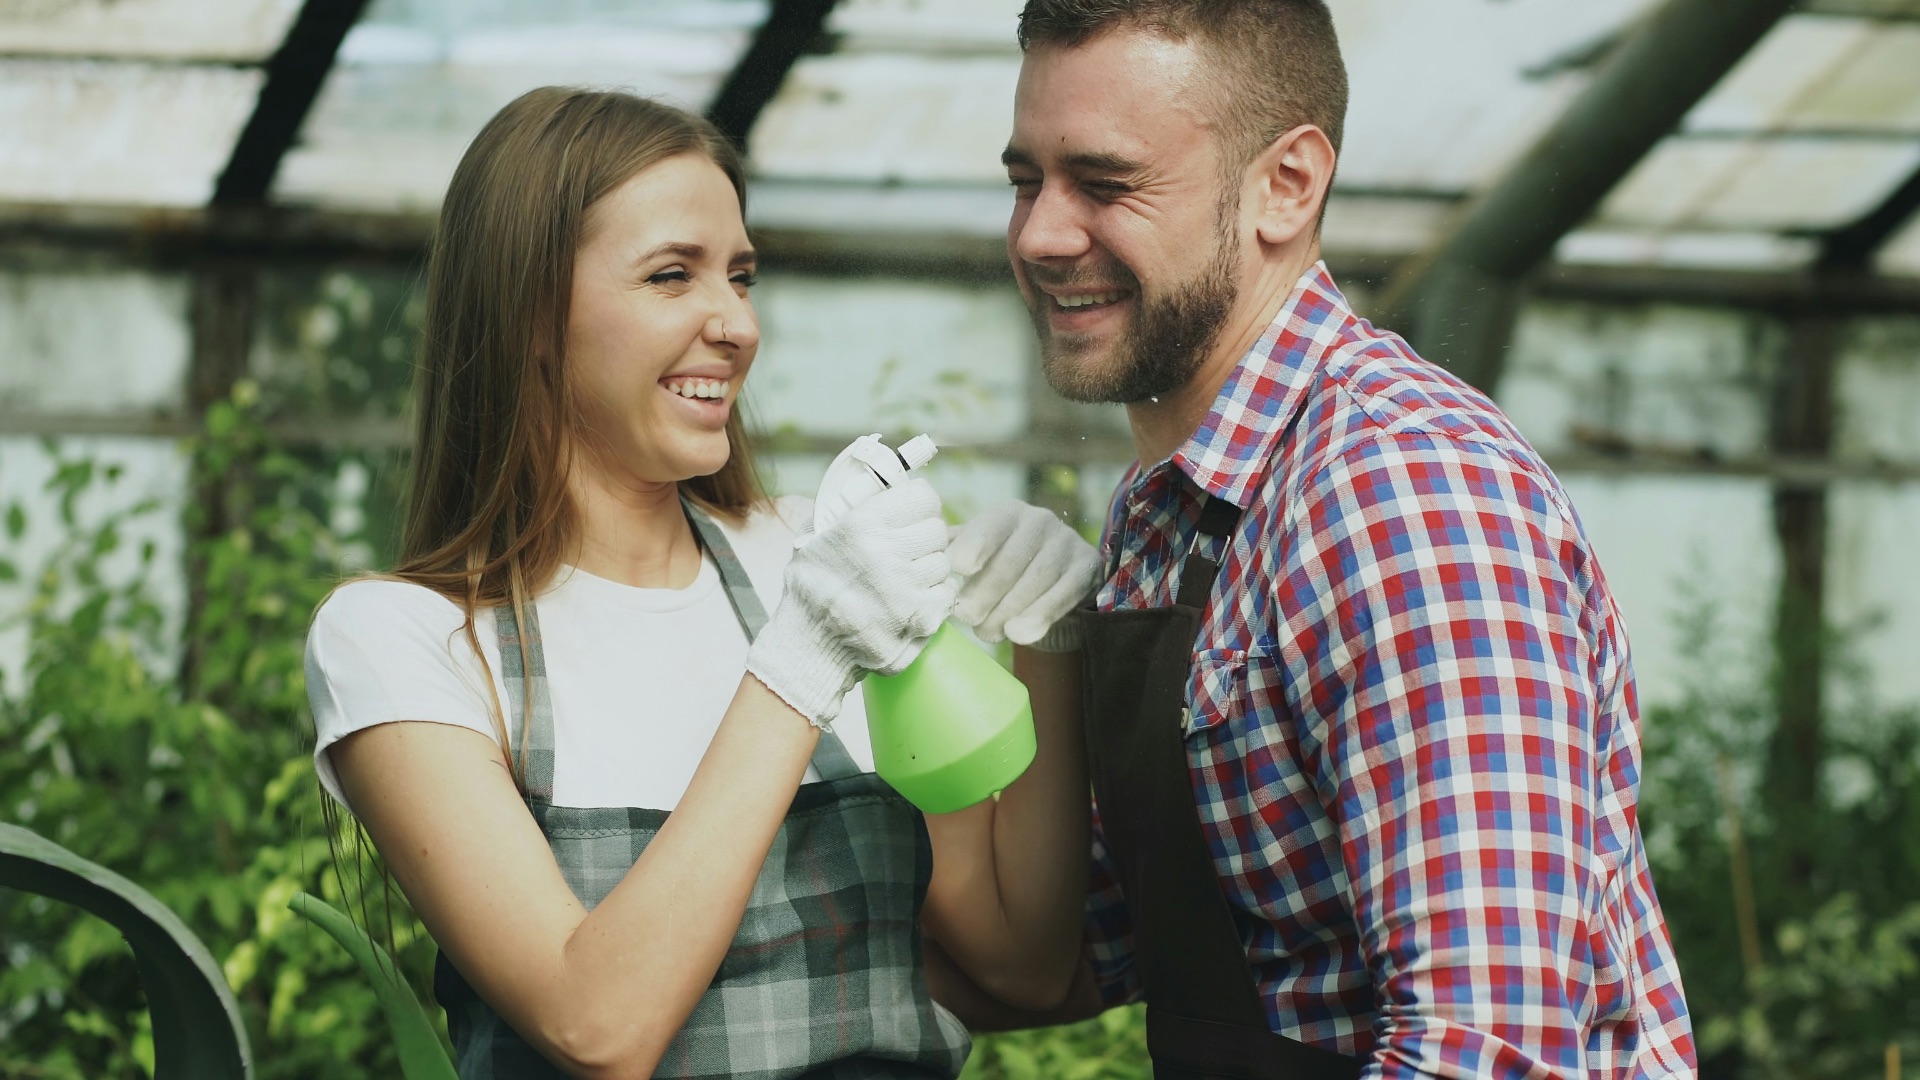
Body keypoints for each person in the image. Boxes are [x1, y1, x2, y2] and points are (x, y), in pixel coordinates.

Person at [930, 2, 1699, 1077]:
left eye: (1104, 184)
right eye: (1027, 181)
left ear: (1286, 186)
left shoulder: (1401, 496)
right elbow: (1073, 958)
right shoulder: (1173, 515)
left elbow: (1487, 1047)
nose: (1043, 235)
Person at [303, 87, 1091, 1080]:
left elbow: (1018, 957)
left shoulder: (808, 560)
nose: (736, 324)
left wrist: (1050, 636)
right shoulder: (404, 641)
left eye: (742, 276)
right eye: (672, 275)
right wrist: (803, 661)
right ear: (530, 311)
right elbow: (595, 1026)